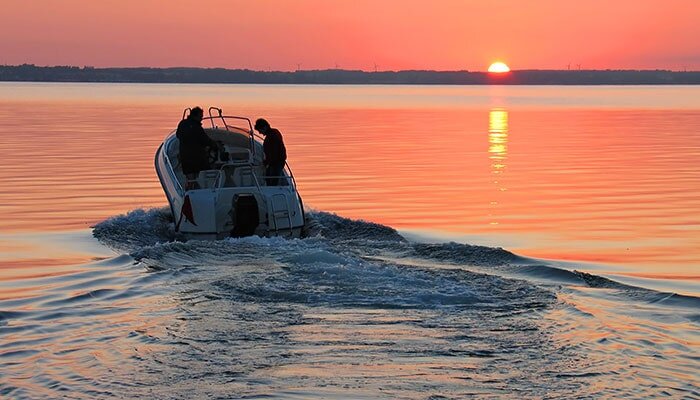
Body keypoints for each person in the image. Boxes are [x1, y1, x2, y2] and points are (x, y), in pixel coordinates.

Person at [177, 107, 217, 189]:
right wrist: (217, 146)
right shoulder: (197, 128)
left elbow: (178, 135)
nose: (201, 119)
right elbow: (207, 141)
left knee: (190, 176)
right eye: (200, 117)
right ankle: (197, 189)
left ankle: (190, 189)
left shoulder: (182, 124)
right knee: (202, 170)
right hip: (197, 158)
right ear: (195, 116)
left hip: (184, 156)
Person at [254, 118, 287, 186]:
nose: (260, 133)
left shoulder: (272, 136)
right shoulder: (274, 133)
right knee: (269, 178)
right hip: (274, 162)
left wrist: (266, 162)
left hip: (276, 163)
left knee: (272, 181)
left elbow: (274, 152)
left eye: (260, 130)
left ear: (264, 127)